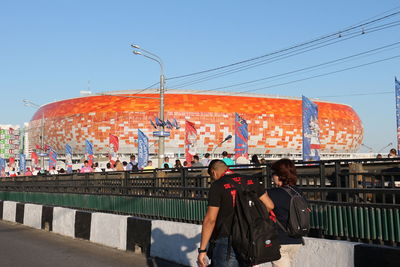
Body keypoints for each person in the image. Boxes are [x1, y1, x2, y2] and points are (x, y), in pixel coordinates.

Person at [197, 160, 274, 267]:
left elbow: (210, 220)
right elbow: (270, 206)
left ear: (213, 172)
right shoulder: (251, 180)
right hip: (249, 238)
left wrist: (202, 250)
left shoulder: (218, 185)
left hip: (226, 239)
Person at [267, 159, 303, 267]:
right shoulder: (297, 192)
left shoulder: (272, 193)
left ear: (279, 175)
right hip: (296, 240)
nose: (272, 177)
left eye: (273, 173)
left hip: (280, 241)